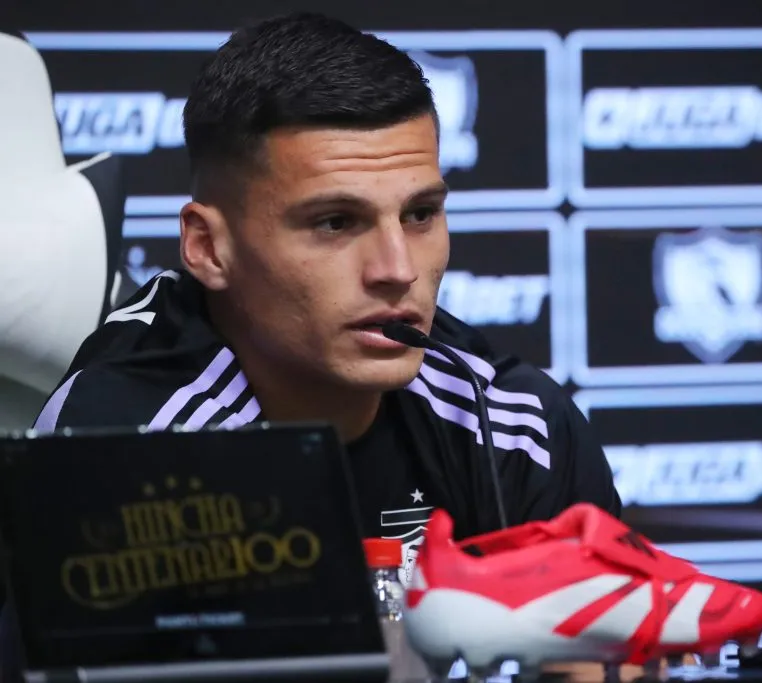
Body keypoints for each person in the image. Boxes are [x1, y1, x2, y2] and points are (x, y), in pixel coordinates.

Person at [0, 12, 621, 673]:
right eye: (335, 222)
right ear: (208, 248)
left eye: (419, 214)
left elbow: (606, 656)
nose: (397, 268)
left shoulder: (508, 419)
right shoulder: (127, 448)